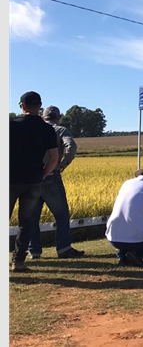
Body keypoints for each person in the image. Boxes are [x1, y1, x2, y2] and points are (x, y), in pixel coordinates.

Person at [10, 92, 59, 272]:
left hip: (9, 180)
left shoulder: (10, 124)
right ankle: (19, 261)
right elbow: (54, 158)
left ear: (22, 106)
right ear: (39, 106)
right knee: (26, 221)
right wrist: (43, 175)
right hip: (33, 180)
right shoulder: (47, 129)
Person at [27, 106, 85, 259]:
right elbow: (71, 146)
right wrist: (63, 163)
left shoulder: (34, 130)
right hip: (52, 176)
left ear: (43, 117)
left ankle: (34, 251)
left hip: (33, 178)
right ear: (58, 117)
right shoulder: (61, 130)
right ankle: (63, 248)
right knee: (61, 214)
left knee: (33, 217)